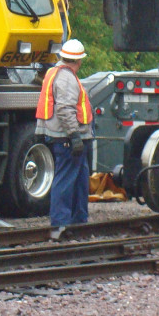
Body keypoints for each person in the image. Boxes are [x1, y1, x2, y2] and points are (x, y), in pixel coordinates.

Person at [35, 39, 93, 240]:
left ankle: (77, 221)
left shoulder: (54, 73)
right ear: (78, 61)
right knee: (67, 179)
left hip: (64, 136)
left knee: (77, 180)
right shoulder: (67, 78)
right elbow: (65, 109)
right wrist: (75, 136)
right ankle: (61, 223)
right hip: (67, 137)